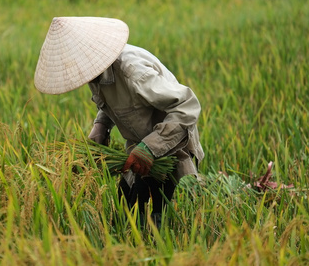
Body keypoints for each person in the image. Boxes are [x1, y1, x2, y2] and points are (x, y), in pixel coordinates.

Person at [34, 16, 204, 228]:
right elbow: (114, 102)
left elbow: (186, 105)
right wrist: (101, 127)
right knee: (126, 210)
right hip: (138, 146)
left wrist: (151, 148)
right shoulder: (94, 72)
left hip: (169, 145)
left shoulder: (134, 73)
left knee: (154, 220)